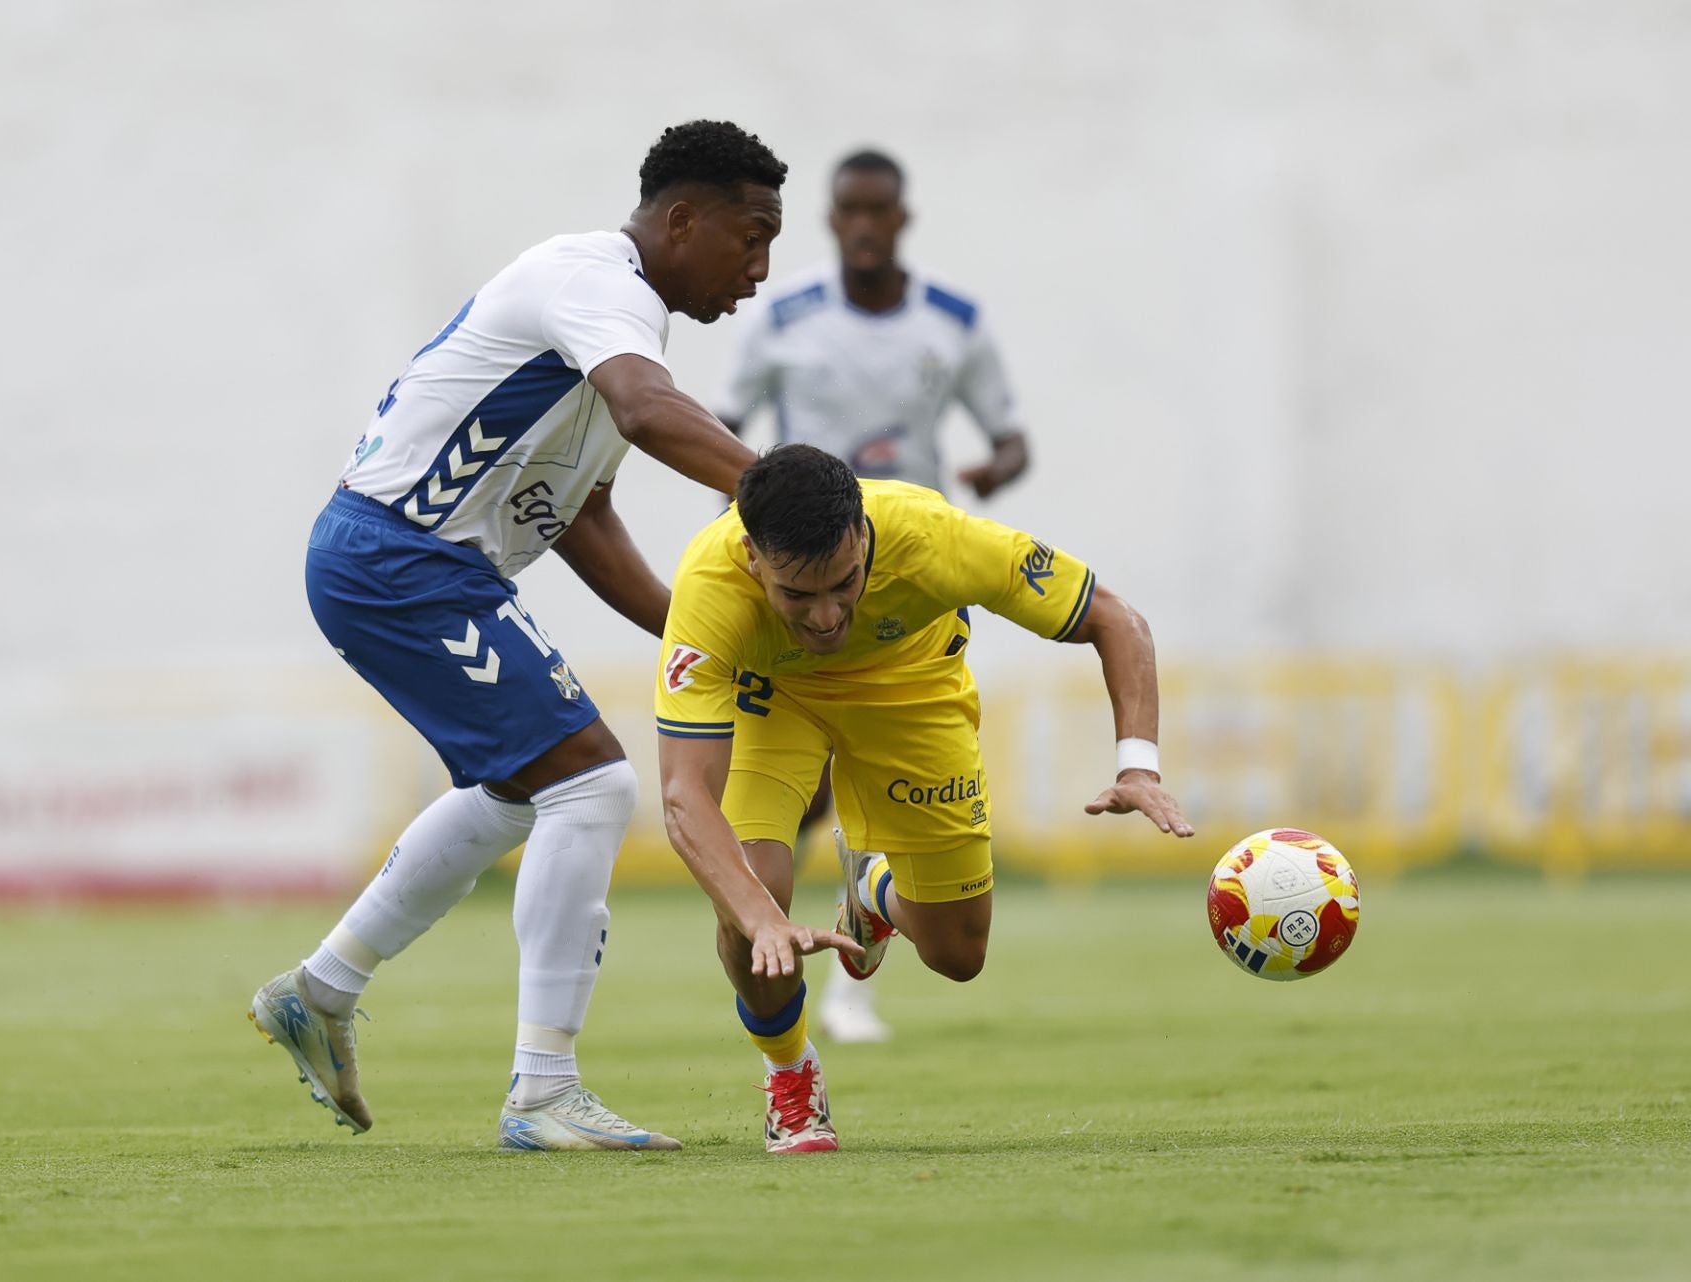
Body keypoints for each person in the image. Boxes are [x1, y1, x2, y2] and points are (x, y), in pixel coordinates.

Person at [248, 120, 829, 1152]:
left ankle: (321, 988)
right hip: (399, 558)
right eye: (751, 236)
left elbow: (584, 518)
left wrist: (694, 632)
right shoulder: (594, 283)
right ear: (681, 219)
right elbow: (648, 411)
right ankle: (542, 1091)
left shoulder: (620, 332)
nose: (760, 267)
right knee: (592, 783)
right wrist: (785, 495)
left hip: (420, 566)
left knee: (522, 788)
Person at [654, 445, 1193, 1153]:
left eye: (845, 584)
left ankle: (871, 892)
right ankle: (790, 1074)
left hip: (908, 689)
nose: (823, 616)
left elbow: (1117, 620)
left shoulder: (933, 538)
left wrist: (1139, 767)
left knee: (958, 953)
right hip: (774, 697)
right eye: (796, 595)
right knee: (752, 894)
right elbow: (683, 794)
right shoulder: (709, 582)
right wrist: (759, 917)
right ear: (753, 556)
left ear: (864, 536)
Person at [717, 149, 1032, 1042]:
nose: (862, 227)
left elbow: (1010, 437)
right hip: (801, 592)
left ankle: (871, 920)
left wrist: (991, 473)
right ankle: (854, 943)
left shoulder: (954, 321)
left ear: (901, 218)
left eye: (877, 211)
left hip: (904, 585)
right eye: (847, 211)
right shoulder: (784, 318)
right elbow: (726, 426)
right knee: (805, 795)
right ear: (830, 220)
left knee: (873, 780)